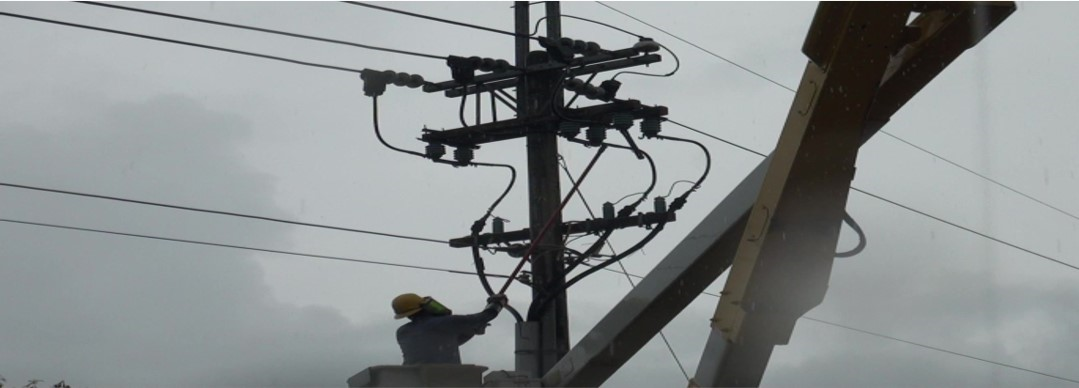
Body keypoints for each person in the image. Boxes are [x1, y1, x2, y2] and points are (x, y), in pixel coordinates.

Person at [392, 293, 508, 365]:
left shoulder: (402, 332)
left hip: (414, 379)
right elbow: (485, 316)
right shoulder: (444, 322)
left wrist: (472, 331)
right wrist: (497, 303)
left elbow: (447, 343)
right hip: (445, 380)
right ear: (425, 306)